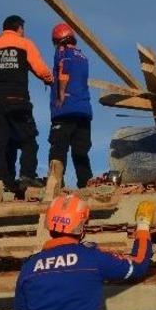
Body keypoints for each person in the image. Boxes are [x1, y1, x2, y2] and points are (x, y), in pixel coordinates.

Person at [15, 193, 156, 310]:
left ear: (50, 226)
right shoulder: (93, 259)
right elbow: (139, 264)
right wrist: (143, 225)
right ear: (81, 227)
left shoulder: (28, 268)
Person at [0, 15, 53, 191]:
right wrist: (49, 79)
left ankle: (3, 182)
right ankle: (27, 177)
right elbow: (40, 68)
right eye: (22, 29)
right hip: (17, 101)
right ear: (19, 28)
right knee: (28, 141)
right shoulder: (24, 44)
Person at [47, 23, 94, 188]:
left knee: (58, 149)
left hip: (65, 110)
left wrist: (60, 95)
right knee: (81, 151)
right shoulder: (83, 56)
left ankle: (54, 185)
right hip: (83, 110)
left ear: (58, 40)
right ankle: (86, 184)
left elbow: (63, 72)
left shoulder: (62, 52)